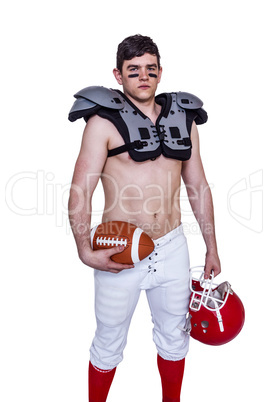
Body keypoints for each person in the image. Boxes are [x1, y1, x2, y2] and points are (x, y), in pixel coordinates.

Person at [68, 34, 221, 402]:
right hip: (119, 251)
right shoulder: (101, 124)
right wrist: (84, 250)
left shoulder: (183, 119)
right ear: (118, 75)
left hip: (171, 246)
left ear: (160, 72)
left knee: (175, 337)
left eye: (150, 69)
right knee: (108, 341)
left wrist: (212, 247)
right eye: (133, 70)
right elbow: (79, 192)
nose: (143, 76)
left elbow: (197, 186)